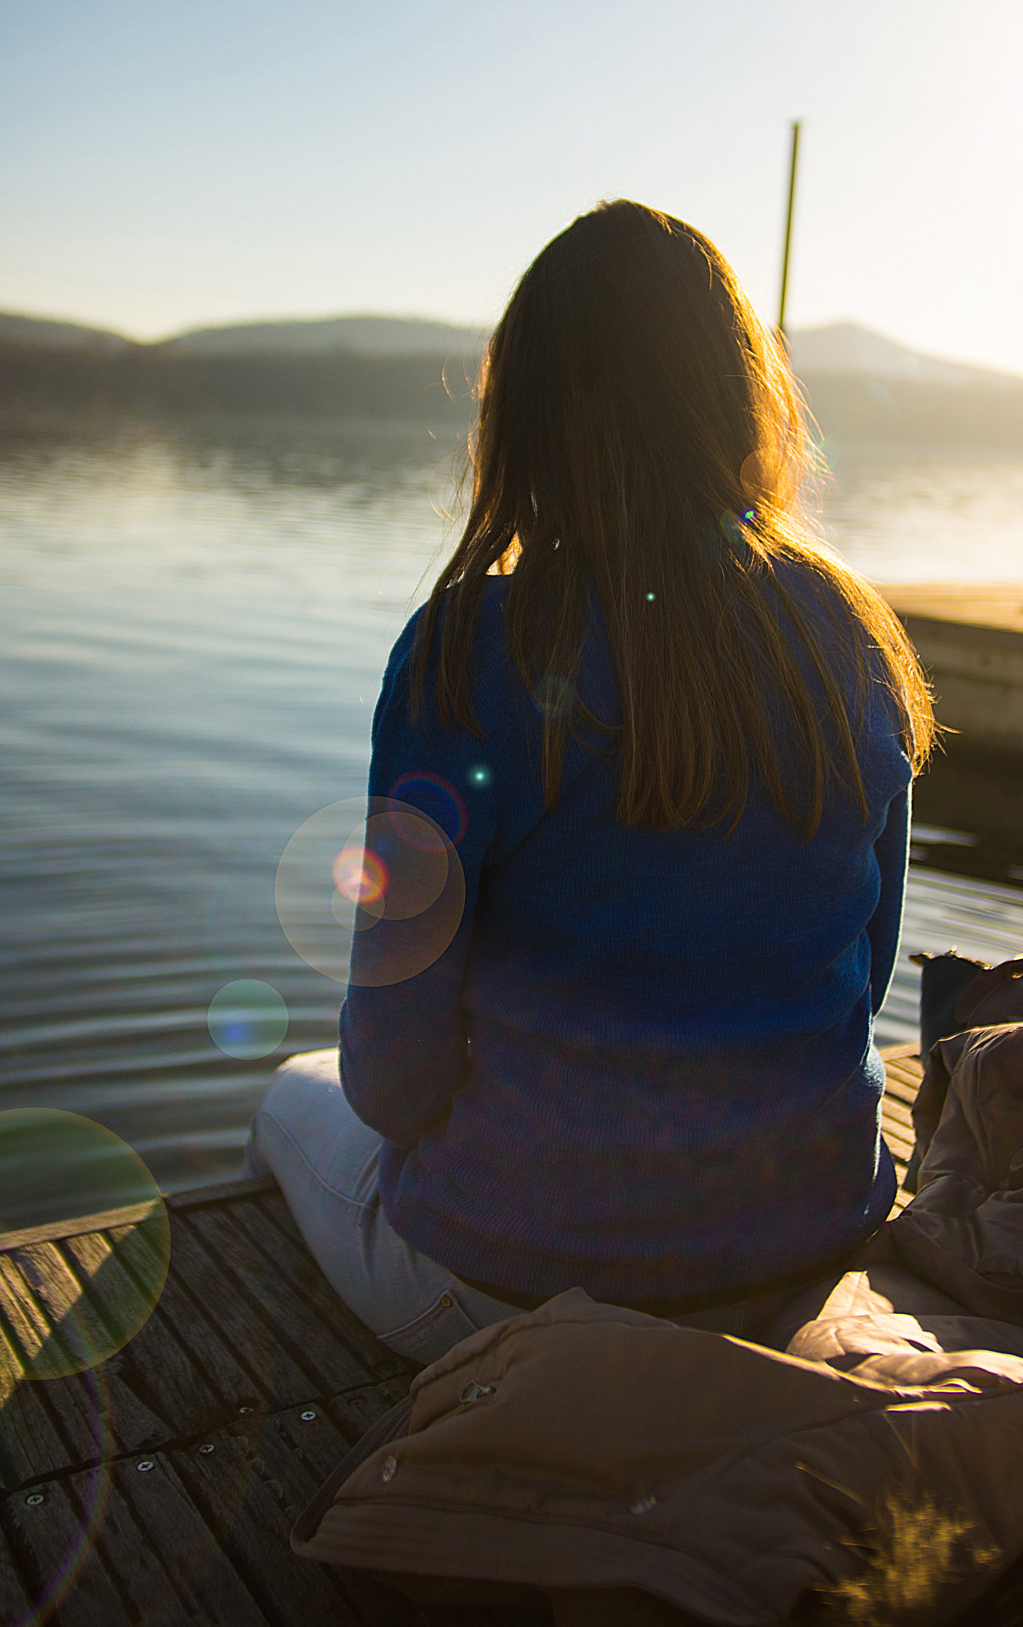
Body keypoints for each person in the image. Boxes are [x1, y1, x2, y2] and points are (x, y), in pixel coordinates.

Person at [246, 199, 934, 1364]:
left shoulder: (467, 654)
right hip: (801, 1259)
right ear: (739, 400)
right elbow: (859, 981)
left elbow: (393, 1075)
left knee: (284, 1099)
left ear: (526, 421)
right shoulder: (849, 634)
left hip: (510, 1290)